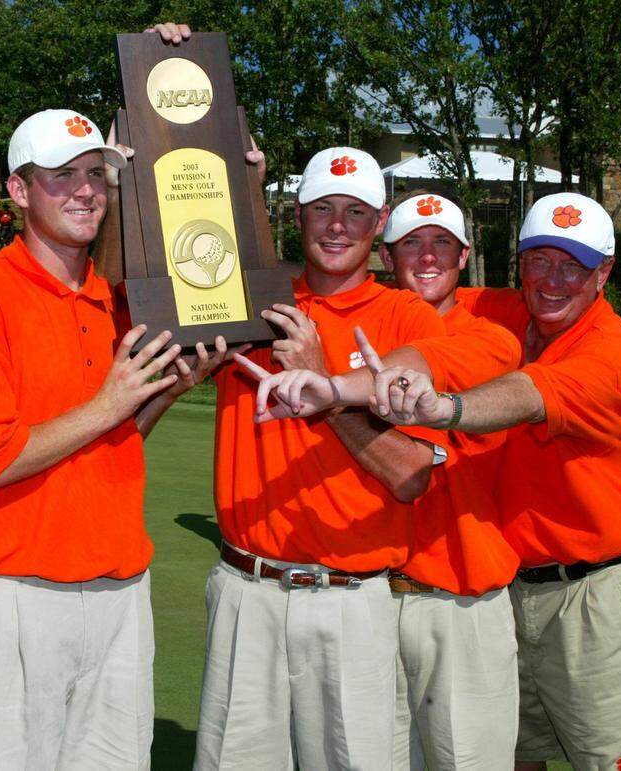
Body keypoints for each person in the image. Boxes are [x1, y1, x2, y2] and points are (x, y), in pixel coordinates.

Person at [0, 107, 229, 769]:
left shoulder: (119, 301)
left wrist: (166, 390)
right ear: (18, 190)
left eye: (96, 173)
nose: (86, 189)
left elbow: (115, 437)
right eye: (62, 176)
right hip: (18, 593)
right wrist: (110, 402)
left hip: (121, 592)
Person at [347, 192, 621, 771]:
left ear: (604, 272)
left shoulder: (616, 351)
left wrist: (446, 409)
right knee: (518, 756)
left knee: (613, 761)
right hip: (511, 588)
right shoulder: (503, 309)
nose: (554, 279)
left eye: (574, 265)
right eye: (540, 259)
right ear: (519, 264)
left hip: (594, 598)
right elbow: (413, 283)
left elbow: (529, 395)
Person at [198, 147, 451, 770]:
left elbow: (413, 475)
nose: (338, 225)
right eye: (322, 210)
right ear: (296, 214)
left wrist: (326, 390)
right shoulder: (246, 298)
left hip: (350, 600)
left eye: (356, 212)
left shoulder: (408, 319)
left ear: (378, 223)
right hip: (244, 590)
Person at [377, 192, 522, 770]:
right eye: (411, 243)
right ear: (387, 257)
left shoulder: (489, 339)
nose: (427, 256)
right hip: (369, 599)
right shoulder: (362, 329)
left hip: (462, 602)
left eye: (442, 243)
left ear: (465, 256)